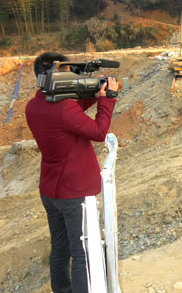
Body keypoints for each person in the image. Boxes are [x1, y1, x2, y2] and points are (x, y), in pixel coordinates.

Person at [25, 52, 118, 293]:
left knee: (60, 249)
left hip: (50, 190)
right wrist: (107, 100)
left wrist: (94, 94)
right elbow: (98, 132)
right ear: (56, 76)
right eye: (69, 72)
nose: (73, 77)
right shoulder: (64, 109)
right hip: (74, 191)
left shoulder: (34, 105)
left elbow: (70, 114)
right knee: (81, 252)